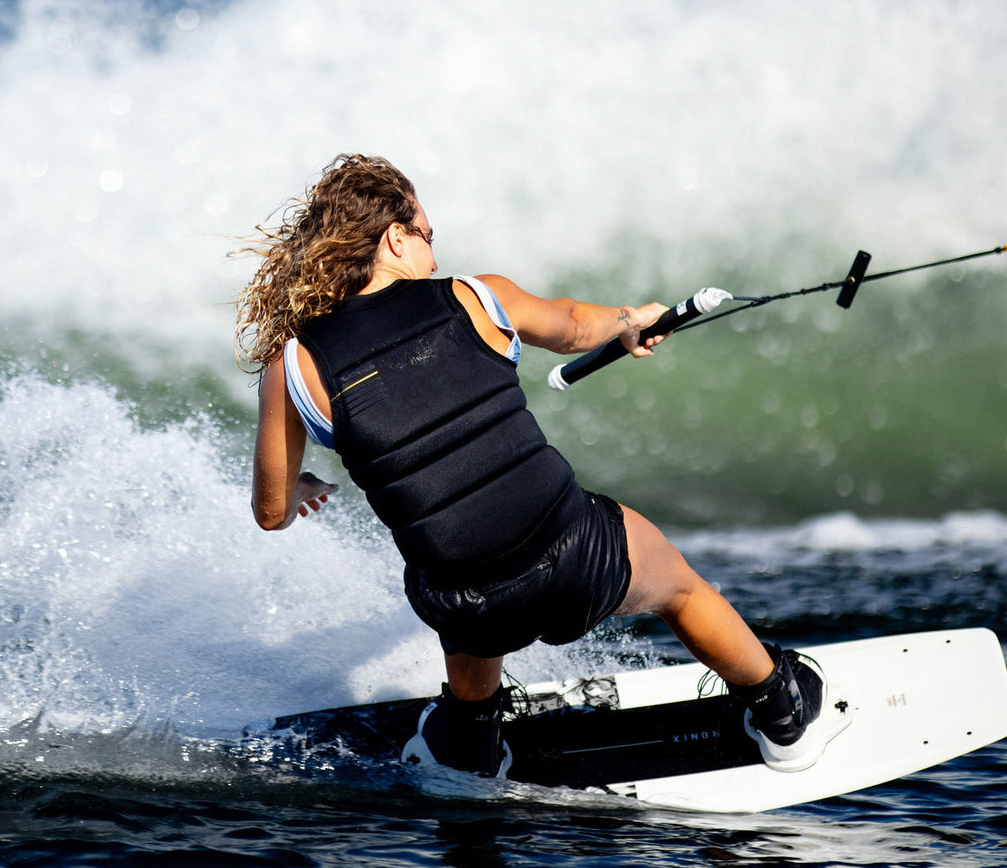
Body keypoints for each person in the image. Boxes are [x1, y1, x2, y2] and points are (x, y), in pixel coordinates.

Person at [236, 154, 839, 777]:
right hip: (576, 555)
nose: (435, 260)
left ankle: (471, 738)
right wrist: (631, 321)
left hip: (469, 606)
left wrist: (303, 484)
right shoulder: (474, 297)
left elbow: (271, 511)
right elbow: (577, 326)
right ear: (394, 237)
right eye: (427, 238)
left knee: (449, 565)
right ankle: (782, 707)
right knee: (680, 590)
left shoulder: (294, 365)